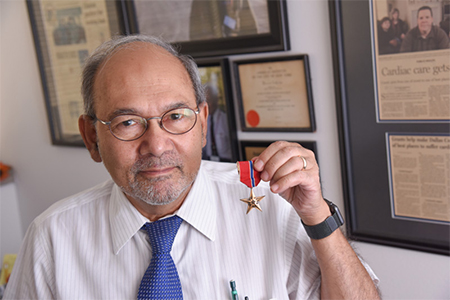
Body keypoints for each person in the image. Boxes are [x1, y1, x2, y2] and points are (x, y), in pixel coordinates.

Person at [4, 35, 380, 299]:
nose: (157, 145)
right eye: (128, 123)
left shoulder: (271, 204)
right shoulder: (52, 239)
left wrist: (317, 217)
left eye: (176, 116)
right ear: (91, 138)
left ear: (202, 122)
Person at [202, 82, 232, 162]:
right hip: (209, 161)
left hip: (227, 161)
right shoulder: (203, 121)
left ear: (216, 100)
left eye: (210, 100)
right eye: (205, 101)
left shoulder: (225, 119)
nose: (208, 105)